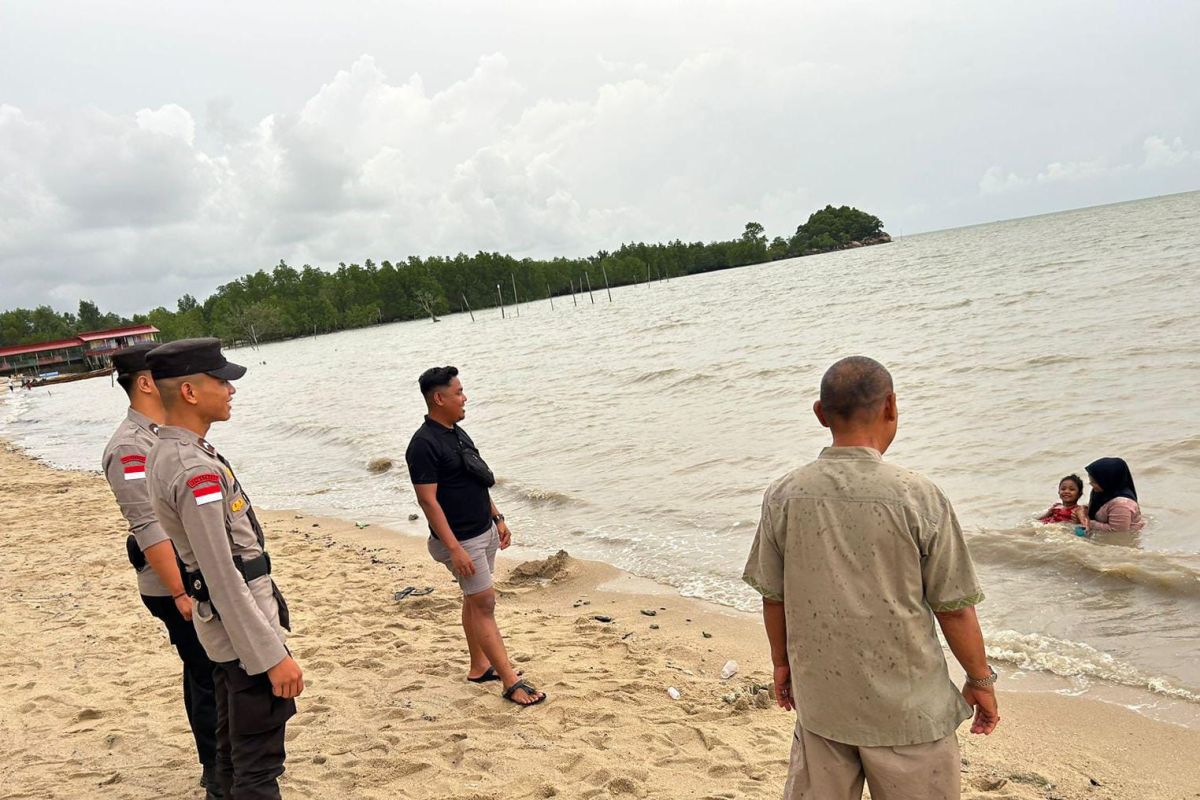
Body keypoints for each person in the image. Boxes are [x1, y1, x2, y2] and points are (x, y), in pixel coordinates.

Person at [743, 356, 999, 800]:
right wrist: (980, 681)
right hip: (909, 710)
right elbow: (954, 608)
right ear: (891, 406)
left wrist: (781, 664)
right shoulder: (918, 496)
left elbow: (774, 596)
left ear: (820, 413)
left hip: (822, 703)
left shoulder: (785, 494)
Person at [146, 338, 303, 800]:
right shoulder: (192, 467)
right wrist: (272, 656)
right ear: (191, 392)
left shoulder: (173, 451)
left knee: (232, 757)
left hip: (228, 632)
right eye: (222, 381)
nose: (231, 389)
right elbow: (220, 573)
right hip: (244, 635)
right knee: (257, 766)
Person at [101, 343, 220, 798]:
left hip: (190, 577)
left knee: (204, 670)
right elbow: (148, 526)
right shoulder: (130, 446)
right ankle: (215, 768)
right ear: (146, 382)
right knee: (207, 672)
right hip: (173, 582)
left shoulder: (165, 432)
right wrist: (181, 593)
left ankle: (218, 760)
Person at [405, 366, 545, 706]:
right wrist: (454, 549)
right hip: (460, 540)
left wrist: (497, 517)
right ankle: (510, 682)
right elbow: (428, 501)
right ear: (439, 398)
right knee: (485, 603)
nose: (464, 398)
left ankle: (479, 666)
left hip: (483, 530)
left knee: (473, 599)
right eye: (458, 393)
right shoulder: (423, 445)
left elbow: (475, 479)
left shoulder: (457, 432)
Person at [1085, 457, 1145, 533]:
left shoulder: (1121, 505)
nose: (1090, 484)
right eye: (1090, 480)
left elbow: (1117, 532)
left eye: (1094, 481)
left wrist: (1088, 523)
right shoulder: (1102, 491)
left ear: (1107, 480)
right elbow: (1098, 509)